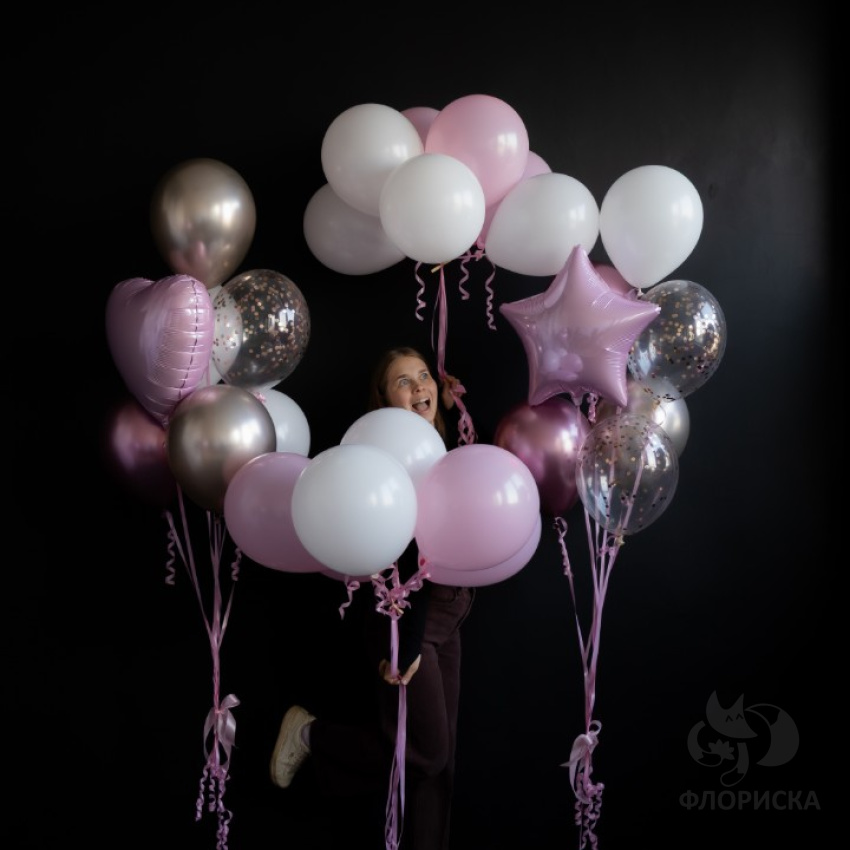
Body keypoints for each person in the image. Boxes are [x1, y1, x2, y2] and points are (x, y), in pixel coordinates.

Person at [270, 346, 475, 850]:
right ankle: (310, 734)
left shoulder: (436, 448)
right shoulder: (387, 458)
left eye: (423, 375)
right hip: (408, 615)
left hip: (448, 614)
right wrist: (405, 641)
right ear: (383, 400)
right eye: (403, 381)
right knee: (425, 753)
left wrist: (459, 410)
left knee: (440, 763)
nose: (419, 386)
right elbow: (400, 556)